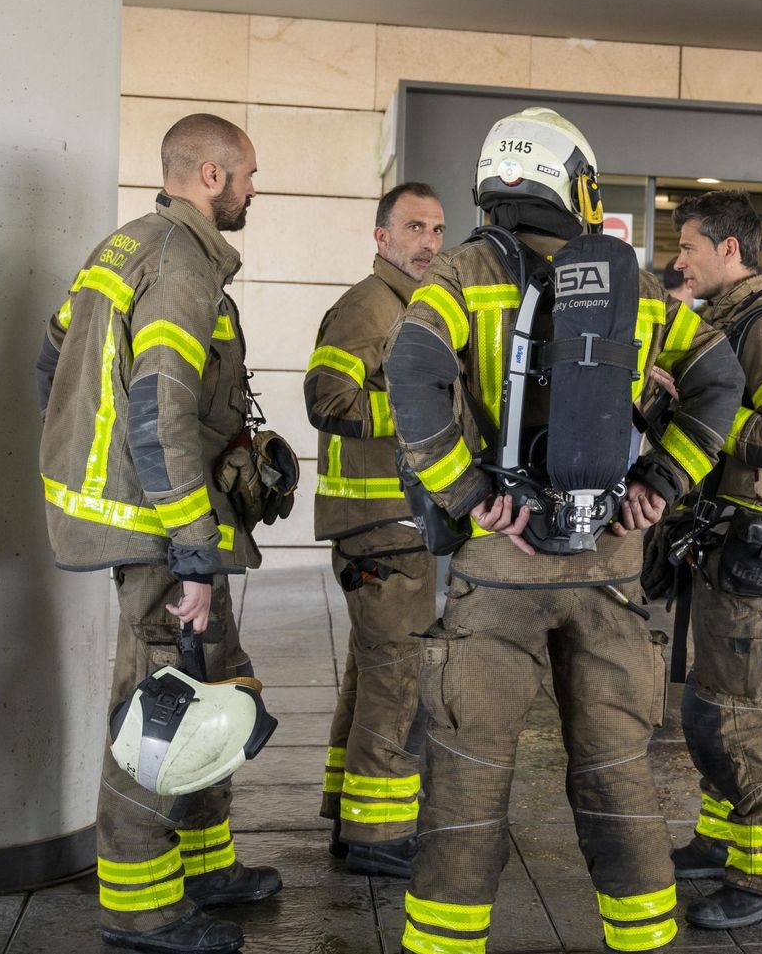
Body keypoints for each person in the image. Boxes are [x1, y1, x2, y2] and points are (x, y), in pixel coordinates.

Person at [385, 107, 743, 954]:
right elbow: (718, 376)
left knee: (469, 779)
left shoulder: (460, 272)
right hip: (609, 565)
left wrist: (471, 493)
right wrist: (660, 481)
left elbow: (411, 370)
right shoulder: (639, 287)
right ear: (576, 184)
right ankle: (644, 938)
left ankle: (444, 944)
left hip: (498, 567)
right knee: (618, 770)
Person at [37, 113, 280, 954]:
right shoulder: (180, 262)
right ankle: (140, 908)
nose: (254, 188)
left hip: (152, 514)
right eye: (247, 173)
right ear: (210, 176)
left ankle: (205, 867)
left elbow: (52, 363)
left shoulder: (125, 247)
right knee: (159, 709)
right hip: (159, 527)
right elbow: (159, 410)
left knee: (211, 681)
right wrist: (189, 548)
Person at [668, 190, 762, 930]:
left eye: (689, 245)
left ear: (730, 249)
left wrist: (695, 411)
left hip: (755, 553)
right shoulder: (721, 320)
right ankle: (720, 840)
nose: (678, 258)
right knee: (717, 703)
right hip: (725, 546)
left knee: (752, 714)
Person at [306, 182, 445, 878]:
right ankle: (379, 835)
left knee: (372, 672)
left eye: (438, 228)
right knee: (399, 679)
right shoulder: (372, 305)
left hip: (388, 523)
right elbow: (326, 398)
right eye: (414, 227)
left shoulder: (411, 305)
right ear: (381, 236)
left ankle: (351, 810)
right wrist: (423, 416)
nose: (429, 241)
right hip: (380, 522)